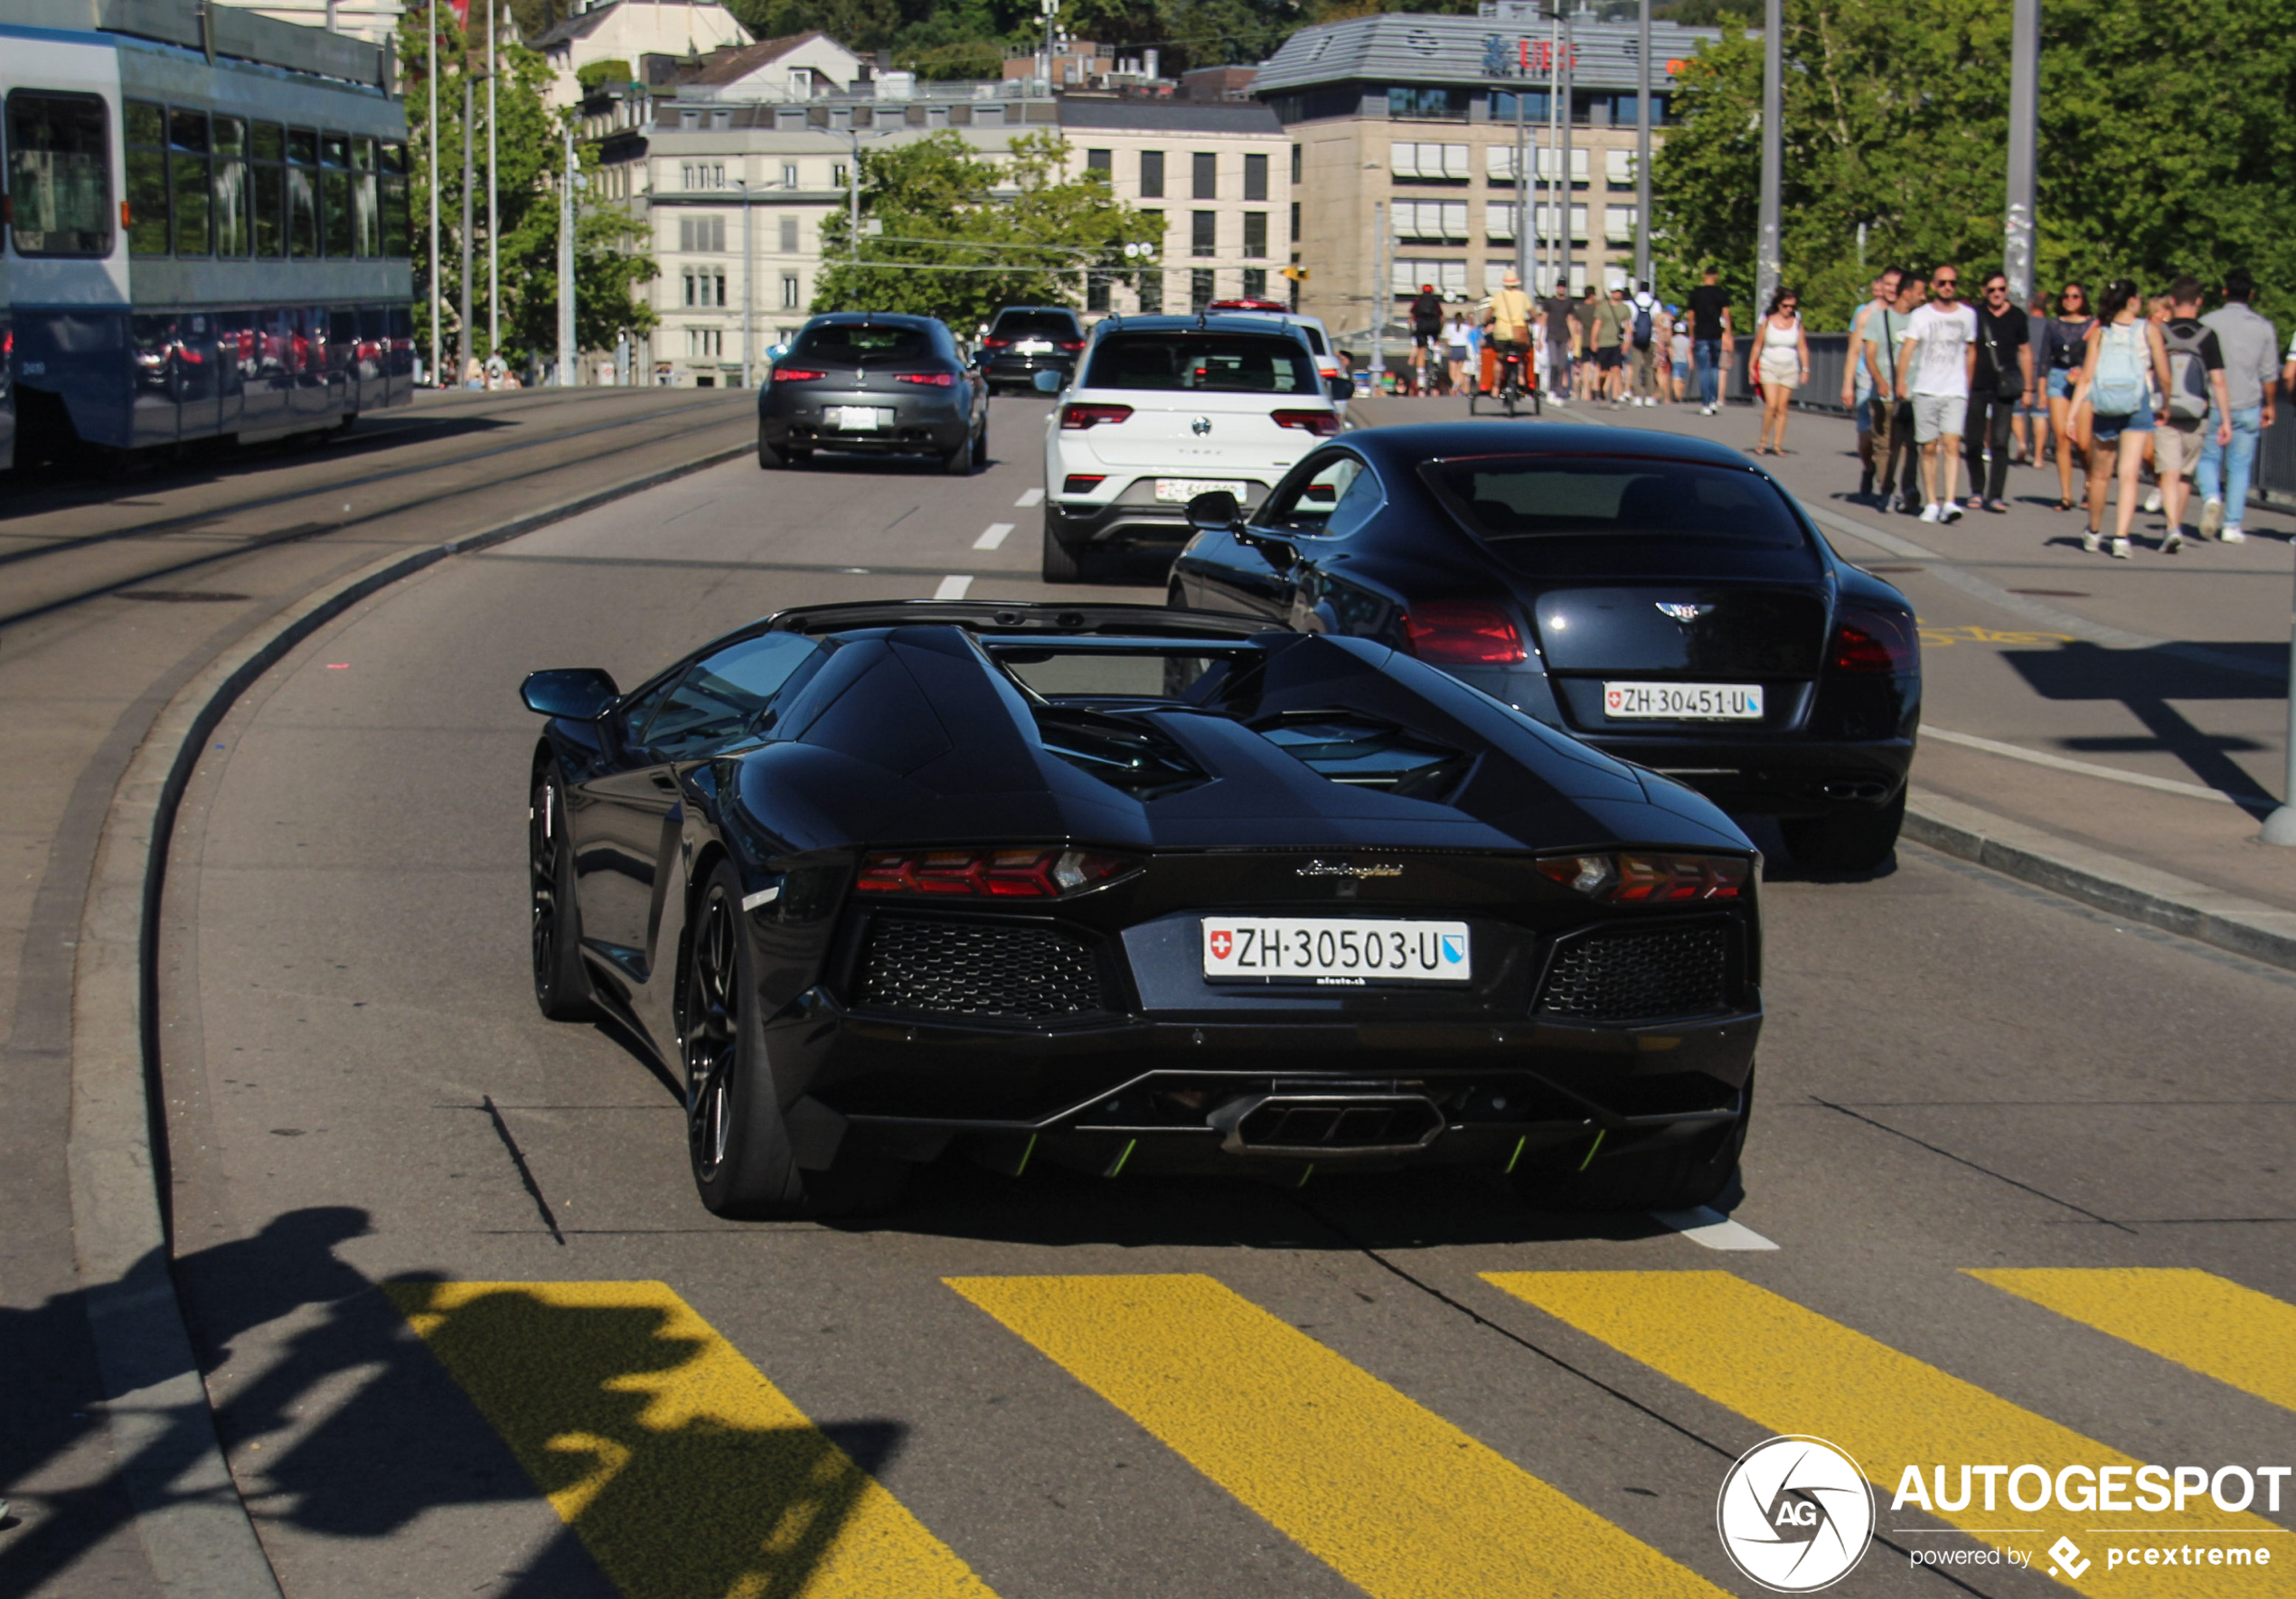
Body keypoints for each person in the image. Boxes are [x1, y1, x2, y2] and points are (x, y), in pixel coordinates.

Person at [2069, 278, 2171, 558]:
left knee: (2101, 474)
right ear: (2132, 301)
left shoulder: (2101, 333)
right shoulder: (2148, 330)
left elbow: (2087, 377)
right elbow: (2163, 372)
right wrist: (2166, 402)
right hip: (2137, 403)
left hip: (2105, 406)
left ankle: (2093, 530)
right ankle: (2122, 538)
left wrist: (2073, 413)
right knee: (2129, 474)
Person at [2197, 268, 2282, 543]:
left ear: (2224, 292)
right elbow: (2270, 374)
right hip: (2247, 403)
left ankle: (2211, 496)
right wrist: (2270, 405)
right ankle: (2232, 525)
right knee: (2240, 467)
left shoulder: (2207, 322)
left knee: (2208, 458)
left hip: (2212, 403)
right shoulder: (2263, 327)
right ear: (2252, 295)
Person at [2154, 277, 2232, 551]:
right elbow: (2218, 380)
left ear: (2172, 301)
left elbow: (2149, 372)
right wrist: (2225, 419)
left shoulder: (2159, 333)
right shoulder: (2208, 336)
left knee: (2169, 471)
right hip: (2197, 414)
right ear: (2199, 301)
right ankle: (2173, 527)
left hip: (2163, 412)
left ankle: (2172, 527)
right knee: (2185, 473)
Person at [1897, 263, 1978, 522]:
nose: (1947, 287)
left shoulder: (1967, 315)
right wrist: (1901, 380)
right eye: (1942, 283)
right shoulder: (1921, 315)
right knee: (1928, 447)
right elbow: (1908, 349)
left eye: (1952, 283)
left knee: (1952, 444)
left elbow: (1971, 350)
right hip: (1925, 388)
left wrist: (1967, 382)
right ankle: (1932, 501)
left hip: (1954, 389)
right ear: (1934, 286)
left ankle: (1950, 501)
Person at [1962, 271, 2032, 513]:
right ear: (1984, 291)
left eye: (2001, 289)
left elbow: (2025, 351)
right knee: (1972, 441)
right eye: (1992, 290)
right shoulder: (1975, 315)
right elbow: (1968, 349)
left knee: (2000, 442)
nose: (1997, 294)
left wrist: (2029, 387)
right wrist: (1965, 383)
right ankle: (1976, 490)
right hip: (1979, 383)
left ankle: (1995, 495)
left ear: (2007, 290)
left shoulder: (2017, 317)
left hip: (2005, 384)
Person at [1865, 268, 1925, 512]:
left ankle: (1909, 488)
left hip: (1914, 394)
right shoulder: (1879, 318)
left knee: (1913, 444)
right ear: (1907, 293)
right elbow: (1869, 355)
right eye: (1919, 293)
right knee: (1886, 445)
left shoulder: (1921, 319)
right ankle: (1887, 488)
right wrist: (1879, 380)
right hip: (1886, 393)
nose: (1923, 298)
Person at [1842, 268, 1904, 496]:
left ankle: (1886, 485)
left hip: (1897, 378)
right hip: (1867, 377)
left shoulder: (1908, 314)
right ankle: (1869, 468)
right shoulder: (1866, 314)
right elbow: (1854, 351)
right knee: (1867, 437)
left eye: (1896, 285)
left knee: (1892, 437)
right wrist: (1847, 385)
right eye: (1887, 284)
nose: (1891, 289)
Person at [2036, 282, 2095, 512]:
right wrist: (2041, 389)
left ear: (2083, 299)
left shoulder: (2092, 325)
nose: (2070, 300)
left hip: (2084, 378)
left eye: (2075, 296)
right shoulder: (2054, 325)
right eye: (2066, 296)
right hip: (2059, 377)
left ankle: (2090, 484)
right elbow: (2044, 358)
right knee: (2061, 437)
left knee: (2083, 441)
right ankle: (2066, 495)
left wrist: (2084, 371)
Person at [1750, 287, 1808, 454]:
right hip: (1769, 365)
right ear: (1778, 304)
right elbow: (1757, 345)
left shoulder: (1797, 322)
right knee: (1772, 405)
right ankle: (1763, 442)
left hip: (1790, 367)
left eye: (1792, 307)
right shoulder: (1767, 321)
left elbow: (1802, 347)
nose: (1789, 309)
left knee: (1782, 408)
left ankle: (1777, 444)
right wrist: (1751, 366)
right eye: (1786, 306)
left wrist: (1806, 369)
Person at [1686, 267, 1733, 415]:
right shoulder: (1721, 293)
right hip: (1716, 334)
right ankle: (1713, 400)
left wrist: (1692, 335)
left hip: (1701, 334)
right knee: (1714, 368)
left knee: (1704, 369)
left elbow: (1691, 317)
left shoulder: (1696, 293)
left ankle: (1705, 403)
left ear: (1703, 275)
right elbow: (1726, 316)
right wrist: (1728, 335)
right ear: (1717, 276)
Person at [2011, 289, 2051, 466]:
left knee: (2017, 412)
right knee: (2040, 414)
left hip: (2021, 371)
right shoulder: (2050, 326)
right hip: (2043, 373)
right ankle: (2039, 457)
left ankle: (2021, 443)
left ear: (2030, 305)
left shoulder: (2023, 324)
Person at [1486, 269, 1538, 400]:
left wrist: (1486, 321)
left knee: (1500, 358)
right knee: (1519, 356)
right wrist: (1530, 320)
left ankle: (1496, 388)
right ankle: (1520, 378)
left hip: (1501, 334)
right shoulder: (1523, 296)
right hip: (1518, 335)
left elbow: (1488, 315)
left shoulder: (1498, 296)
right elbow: (1533, 315)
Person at [1596, 286, 1633, 404]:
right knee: (1604, 372)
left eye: (1619, 292)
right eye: (1615, 291)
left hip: (1617, 342)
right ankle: (1601, 389)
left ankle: (1616, 396)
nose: (1617, 294)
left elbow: (1628, 327)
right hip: (1603, 342)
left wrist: (1627, 342)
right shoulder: (1603, 307)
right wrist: (1594, 340)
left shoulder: (1625, 308)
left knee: (1617, 369)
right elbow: (1597, 324)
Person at [1628, 281, 1661, 406]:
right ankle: (1650, 397)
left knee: (1636, 367)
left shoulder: (1632, 303)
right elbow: (1658, 321)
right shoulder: (1655, 304)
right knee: (1649, 367)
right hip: (1651, 338)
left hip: (1636, 337)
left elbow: (1629, 322)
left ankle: (1637, 396)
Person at [1543, 287, 1576, 406]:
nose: (1562, 289)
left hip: (1563, 336)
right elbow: (1544, 318)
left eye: (1564, 286)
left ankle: (1558, 391)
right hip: (1551, 335)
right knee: (1554, 363)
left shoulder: (1569, 303)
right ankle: (1551, 389)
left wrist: (1572, 338)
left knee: (1562, 365)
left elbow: (1570, 319)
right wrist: (1540, 335)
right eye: (1560, 286)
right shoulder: (1550, 302)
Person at [1409, 283, 1443, 394]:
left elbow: (1411, 317)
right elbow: (1442, 317)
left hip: (1421, 325)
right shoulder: (1435, 301)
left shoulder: (1417, 301)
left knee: (1421, 350)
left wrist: (1412, 331)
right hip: (1434, 324)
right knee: (1436, 339)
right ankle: (1437, 357)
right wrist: (1439, 331)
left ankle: (1421, 377)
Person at [1573, 287, 1602, 401]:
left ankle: (1586, 391)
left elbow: (1576, 327)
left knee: (1585, 365)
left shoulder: (1580, 310)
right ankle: (1595, 386)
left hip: (1584, 339)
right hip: (1597, 339)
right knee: (1597, 364)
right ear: (1592, 295)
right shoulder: (1597, 309)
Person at [1669, 308, 1691, 405]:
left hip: (1676, 360)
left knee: (1676, 378)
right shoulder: (1687, 340)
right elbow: (1689, 352)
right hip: (1685, 361)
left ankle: (1677, 396)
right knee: (1682, 379)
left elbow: (1670, 350)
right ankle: (1680, 395)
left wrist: (1672, 358)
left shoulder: (1672, 340)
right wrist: (1691, 362)